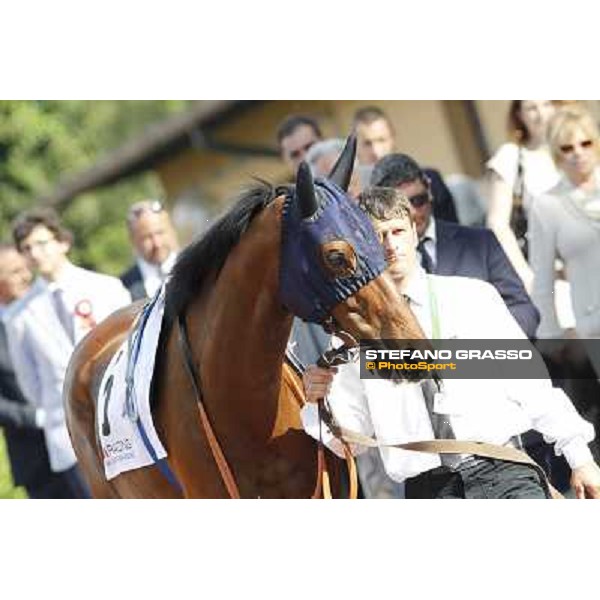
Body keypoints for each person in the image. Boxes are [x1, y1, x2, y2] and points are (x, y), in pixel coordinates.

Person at [300, 187, 600, 499]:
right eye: (378, 235)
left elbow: (531, 385)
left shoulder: (470, 296)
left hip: (504, 470)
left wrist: (581, 458)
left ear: (415, 232)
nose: (390, 245)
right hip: (430, 491)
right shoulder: (351, 333)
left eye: (398, 231)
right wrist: (317, 401)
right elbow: (350, 441)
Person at [5, 208, 131, 497]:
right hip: (70, 438)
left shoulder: (106, 288)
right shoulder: (19, 317)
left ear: (62, 242)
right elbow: (30, 386)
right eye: (27, 249)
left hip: (123, 424)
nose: (35, 253)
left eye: (42, 243)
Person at [371, 153, 540, 339]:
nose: (413, 212)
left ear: (429, 190)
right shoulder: (374, 271)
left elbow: (522, 309)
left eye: (418, 200)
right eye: (402, 207)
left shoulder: (480, 243)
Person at [0, 243, 73, 498]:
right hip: (35, 457)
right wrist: (37, 417)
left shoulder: (46, 307)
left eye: (25, 269)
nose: (26, 276)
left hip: (76, 441)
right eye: (15, 272)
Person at [485, 100, 560, 292]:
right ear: (519, 114)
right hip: (550, 277)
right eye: (532, 108)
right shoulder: (510, 156)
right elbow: (497, 224)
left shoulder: (579, 147)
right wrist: (526, 276)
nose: (542, 114)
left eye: (547, 104)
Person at [353, 105, 458, 223]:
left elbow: (452, 234)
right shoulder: (350, 198)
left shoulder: (430, 180)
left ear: (392, 138)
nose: (375, 151)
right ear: (355, 146)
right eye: (367, 143)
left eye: (381, 140)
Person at [120, 200, 179, 301]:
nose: (157, 243)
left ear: (172, 230)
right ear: (133, 241)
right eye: (146, 237)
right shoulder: (122, 287)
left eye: (160, 233)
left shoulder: (196, 267)